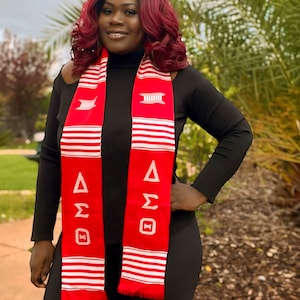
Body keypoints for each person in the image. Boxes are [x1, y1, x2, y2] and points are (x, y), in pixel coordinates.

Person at [29, 0, 252, 299]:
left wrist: (200, 191)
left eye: (129, 12)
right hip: (83, 243)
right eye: (107, 11)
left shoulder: (177, 78)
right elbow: (51, 157)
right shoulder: (72, 77)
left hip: (162, 245)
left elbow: (237, 132)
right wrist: (42, 236)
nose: (115, 20)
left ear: (149, 19)